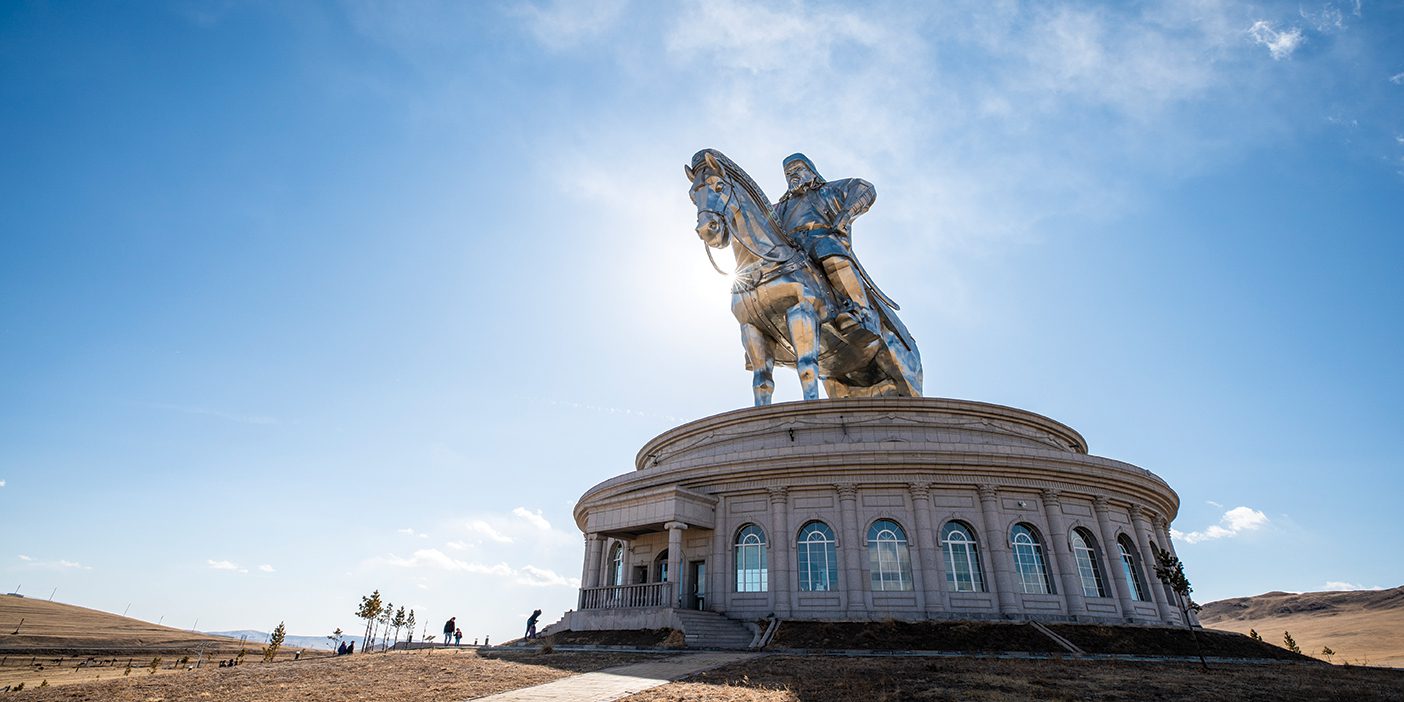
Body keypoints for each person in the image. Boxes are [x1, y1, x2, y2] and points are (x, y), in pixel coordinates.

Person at [772, 153, 879, 332]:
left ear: (811, 171)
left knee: (828, 251)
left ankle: (860, 310)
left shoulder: (827, 190)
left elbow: (864, 188)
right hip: (791, 251)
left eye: (797, 169)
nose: (793, 175)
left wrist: (846, 214)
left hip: (820, 238)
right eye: (788, 173)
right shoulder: (780, 207)